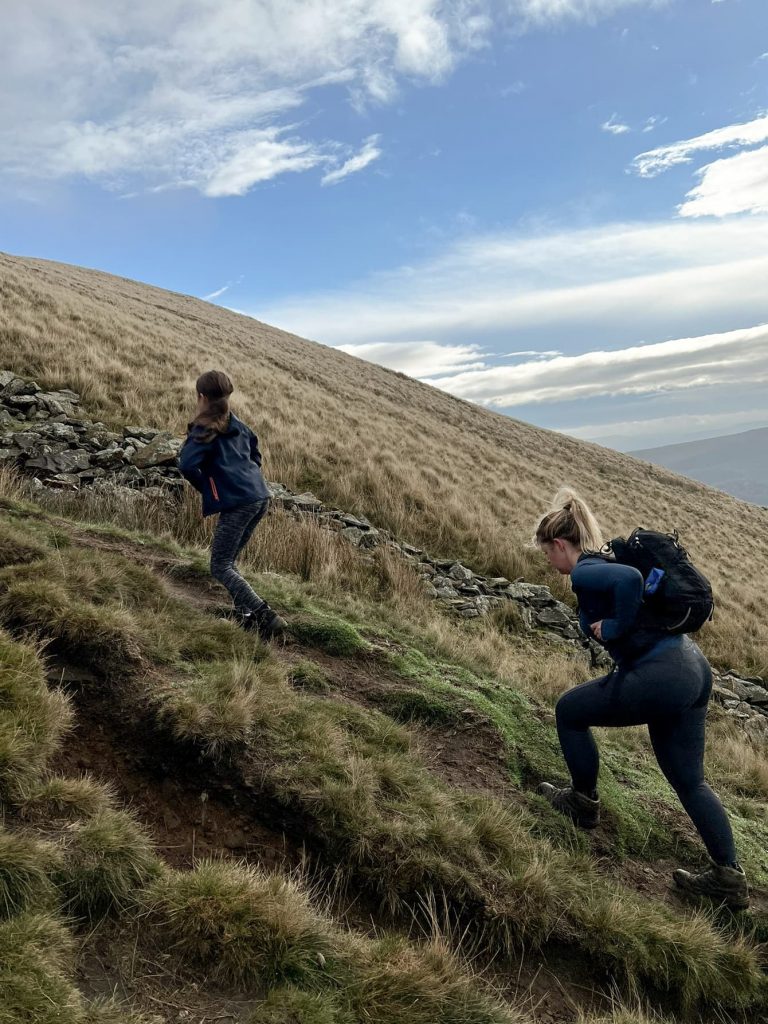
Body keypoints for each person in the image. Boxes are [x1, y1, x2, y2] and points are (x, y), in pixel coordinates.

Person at [534, 488, 748, 911]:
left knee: (569, 711)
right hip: (692, 669)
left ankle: (582, 804)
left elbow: (631, 583)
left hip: (662, 673)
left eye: (547, 552)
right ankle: (729, 877)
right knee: (689, 780)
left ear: (560, 544)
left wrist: (612, 629)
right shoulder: (606, 563)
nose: (548, 562)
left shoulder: (584, 572)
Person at [178, 370, 286, 640]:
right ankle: (247, 617)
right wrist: (245, 478)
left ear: (201, 397)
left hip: (239, 503)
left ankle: (264, 614)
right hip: (259, 497)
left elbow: (187, 465)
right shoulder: (237, 424)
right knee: (229, 562)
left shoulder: (203, 431)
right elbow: (255, 453)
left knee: (220, 566)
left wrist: (210, 488)